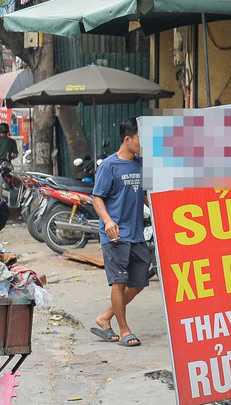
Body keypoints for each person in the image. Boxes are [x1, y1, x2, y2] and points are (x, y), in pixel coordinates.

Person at [90, 118, 149, 348]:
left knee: (139, 282)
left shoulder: (142, 164)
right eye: (140, 141)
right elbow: (97, 197)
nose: (143, 146)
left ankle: (105, 317)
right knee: (119, 282)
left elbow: (144, 194)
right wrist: (107, 221)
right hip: (115, 234)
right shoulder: (109, 166)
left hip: (136, 233)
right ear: (128, 139)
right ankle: (124, 330)